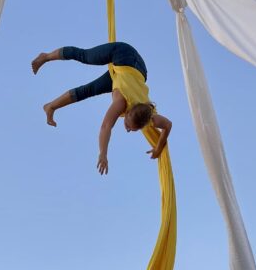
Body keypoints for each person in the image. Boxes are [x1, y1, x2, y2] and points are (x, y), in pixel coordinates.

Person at [31, 42, 172, 175]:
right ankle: (46, 56)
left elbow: (167, 125)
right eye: (129, 126)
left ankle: (50, 106)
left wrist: (159, 148)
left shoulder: (150, 117)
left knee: (88, 90)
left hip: (138, 71)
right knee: (83, 56)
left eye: (131, 129)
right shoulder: (121, 102)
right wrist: (103, 154)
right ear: (128, 113)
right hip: (123, 54)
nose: (127, 129)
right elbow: (106, 126)